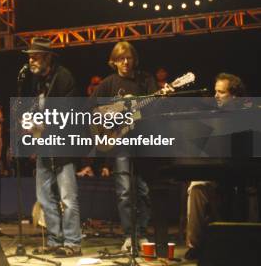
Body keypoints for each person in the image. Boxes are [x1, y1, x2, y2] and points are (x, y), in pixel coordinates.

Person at [91, 41, 169, 252]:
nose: (125, 62)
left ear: (134, 59)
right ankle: (128, 236)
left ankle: (141, 233)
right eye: (120, 58)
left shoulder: (146, 80)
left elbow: (154, 109)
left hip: (143, 142)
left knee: (143, 190)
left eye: (129, 58)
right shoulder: (108, 83)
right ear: (113, 61)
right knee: (124, 192)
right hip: (120, 143)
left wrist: (160, 98)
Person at [23, 37, 83, 257]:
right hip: (44, 146)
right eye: (30, 57)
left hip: (63, 145)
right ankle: (55, 240)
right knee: (45, 197)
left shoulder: (64, 77)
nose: (31, 60)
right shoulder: (36, 81)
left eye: (35, 56)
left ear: (48, 57)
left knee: (67, 197)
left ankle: (73, 242)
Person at [185, 73, 247, 260]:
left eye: (221, 92)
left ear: (234, 95)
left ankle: (243, 244)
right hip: (213, 172)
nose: (216, 96)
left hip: (242, 174)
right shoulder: (209, 117)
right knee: (196, 186)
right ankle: (195, 246)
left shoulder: (247, 116)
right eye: (215, 92)